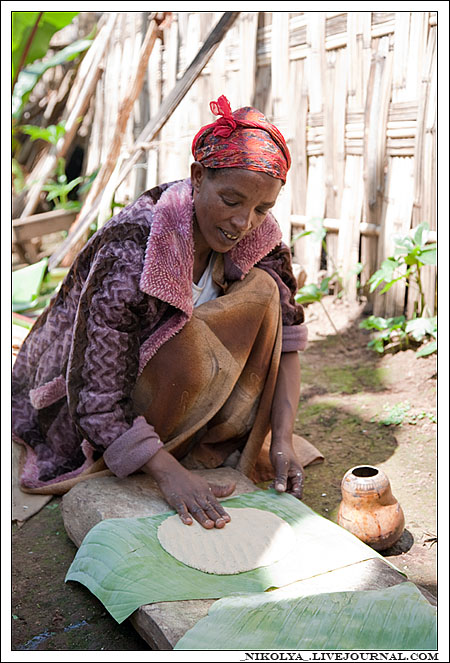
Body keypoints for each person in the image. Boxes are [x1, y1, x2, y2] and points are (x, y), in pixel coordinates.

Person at [12, 95, 309, 530]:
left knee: (265, 290)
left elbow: (287, 338)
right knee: (185, 334)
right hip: (85, 394)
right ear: (197, 177)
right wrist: (171, 475)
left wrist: (281, 439)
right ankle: (166, 446)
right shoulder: (131, 254)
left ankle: (200, 431)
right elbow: (96, 399)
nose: (244, 221)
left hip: (172, 387)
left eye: (262, 208)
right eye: (230, 200)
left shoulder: (260, 236)